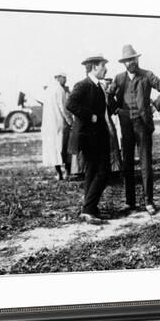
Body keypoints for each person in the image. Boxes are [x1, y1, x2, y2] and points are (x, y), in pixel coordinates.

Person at [107, 44, 160, 215]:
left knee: (145, 163)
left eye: (133, 59)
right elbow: (108, 95)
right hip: (126, 125)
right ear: (123, 63)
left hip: (142, 125)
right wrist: (115, 109)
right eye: (127, 61)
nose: (130, 63)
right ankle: (130, 202)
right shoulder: (119, 78)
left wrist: (154, 106)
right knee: (127, 163)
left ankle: (148, 201)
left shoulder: (147, 75)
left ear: (137, 59)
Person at [66, 54, 111, 223]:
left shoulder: (98, 86)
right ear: (94, 67)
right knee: (103, 172)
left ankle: (90, 209)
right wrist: (89, 115)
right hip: (89, 137)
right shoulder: (83, 85)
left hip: (97, 136)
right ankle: (89, 209)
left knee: (92, 173)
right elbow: (70, 104)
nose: (105, 69)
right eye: (103, 66)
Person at [41, 73, 73, 180]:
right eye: (65, 78)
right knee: (65, 148)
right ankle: (67, 172)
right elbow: (63, 108)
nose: (66, 80)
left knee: (53, 149)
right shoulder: (59, 90)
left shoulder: (48, 90)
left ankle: (58, 173)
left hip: (49, 125)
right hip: (60, 123)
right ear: (59, 77)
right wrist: (70, 121)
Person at [100, 77, 123, 175]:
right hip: (107, 121)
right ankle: (113, 168)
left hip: (105, 121)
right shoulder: (107, 95)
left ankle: (111, 168)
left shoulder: (105, 95)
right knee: (112, 144)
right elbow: (113, 109)